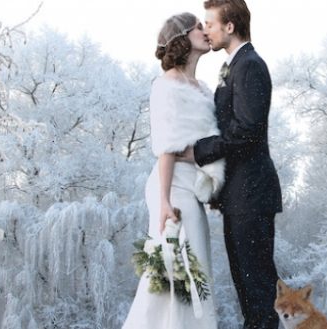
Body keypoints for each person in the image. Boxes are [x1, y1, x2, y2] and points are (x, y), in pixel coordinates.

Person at [180, 0, 283, 328]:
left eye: (209, 23)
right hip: (239, 197)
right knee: (249, 292)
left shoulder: (249, 65)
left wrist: (197, 151)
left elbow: (247, 131)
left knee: (258, 291)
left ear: (229, 26)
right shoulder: (232, 66)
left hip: (251, 195)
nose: (205, 29)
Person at [122, 12, 222, 329]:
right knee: (180, 273)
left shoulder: (204, 88)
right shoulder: (166, 85)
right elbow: (167, 146)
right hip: (173, 187)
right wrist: (164, 202)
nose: (206, 30)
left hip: (193, 188)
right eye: (198, 27)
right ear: (181, 38)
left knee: (192, 272)